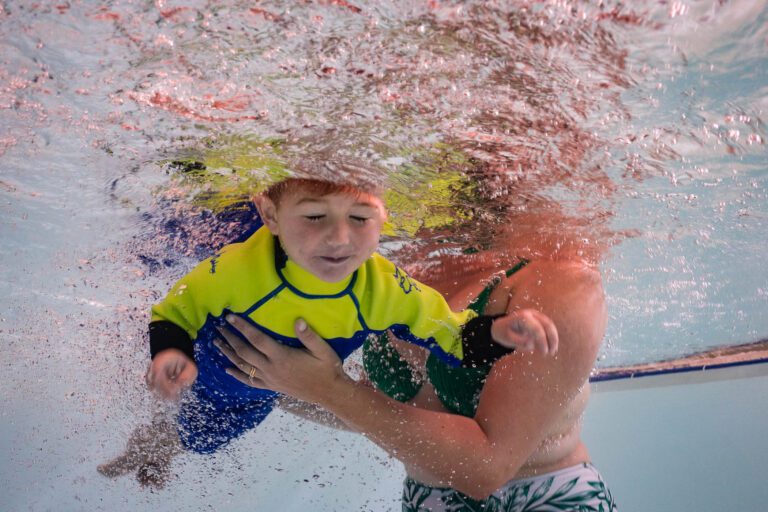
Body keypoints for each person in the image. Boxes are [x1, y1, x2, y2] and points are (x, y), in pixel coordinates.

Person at [98, 176, 558, 488]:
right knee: (171, 402)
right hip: (203, 365)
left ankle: (156, 449)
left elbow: (453, 339)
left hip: (253, 396)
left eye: (360, 219)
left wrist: (500, 333)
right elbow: (175, 309)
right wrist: (169, 354)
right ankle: (153, 435)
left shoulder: (383, 288)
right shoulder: (239, 268)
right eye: (315, 217)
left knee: (201, 439)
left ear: (383, 218)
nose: (340, 239)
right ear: (271, 216)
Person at [215, 245, 616, 510]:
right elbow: (378, 410)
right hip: (429, 500)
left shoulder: (560, 281)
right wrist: (275, 379)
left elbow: (486, 467)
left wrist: (325, 387)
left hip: (547, 497)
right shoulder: (391, 274)